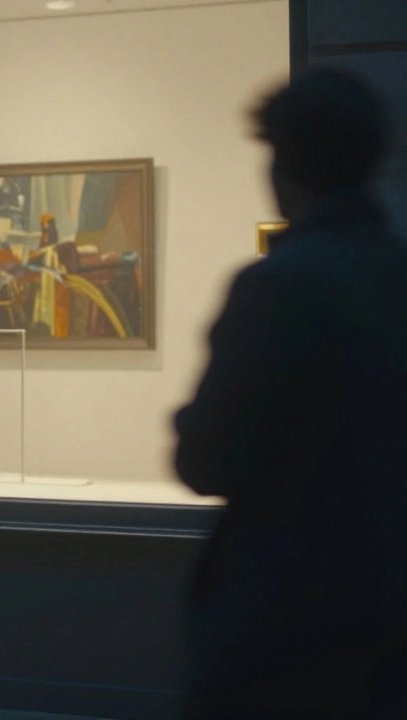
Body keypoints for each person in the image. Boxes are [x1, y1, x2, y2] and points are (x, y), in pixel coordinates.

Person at [173, 67, 407, 719]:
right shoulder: (395, 274)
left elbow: (206, 458)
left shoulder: (281, 285)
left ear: (283, 163)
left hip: (285, 617)